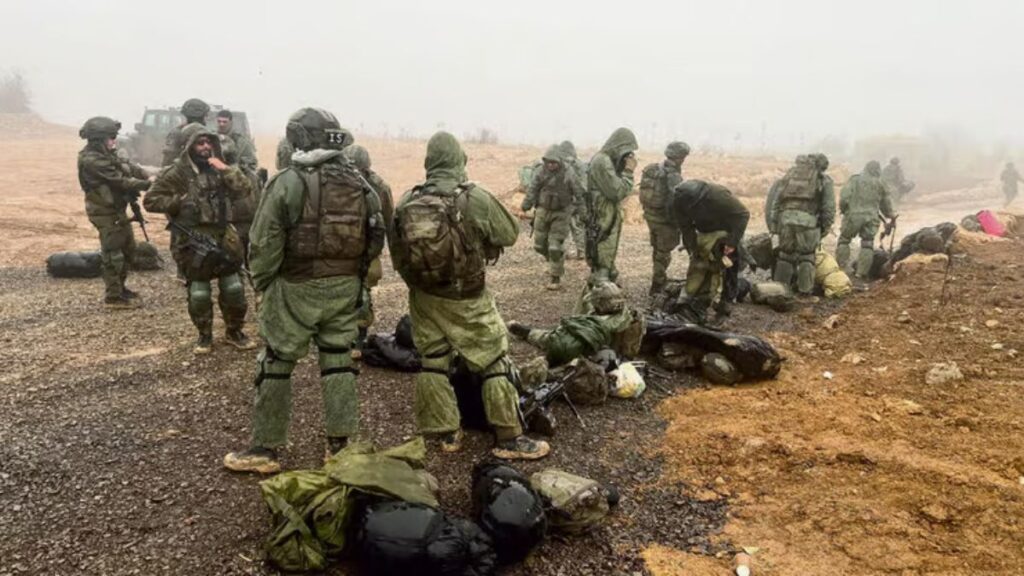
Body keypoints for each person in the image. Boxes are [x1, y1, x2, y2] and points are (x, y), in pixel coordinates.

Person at [223, 108, 385, 474]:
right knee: (338, 362)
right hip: (345, 289)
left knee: (277, 363)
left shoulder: (287, 182)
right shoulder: (360, 183)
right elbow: (376, 236)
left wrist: (263, 284)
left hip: (295, 288)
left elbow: (264, 244)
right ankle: (341, 448)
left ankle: (265, 449)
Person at [390, 131, 549, 460]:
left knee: (433, 361)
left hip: (423, 297)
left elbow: (397, 254)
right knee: (493, 360)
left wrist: (421, 282)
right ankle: (508, 439)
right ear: (459, 159)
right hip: (468, 297)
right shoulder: (473, 196)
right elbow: (509, 233)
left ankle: (447, 434)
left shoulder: (407, 200)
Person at [144, 124, 257, 354]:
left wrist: (225, 169)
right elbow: (151, 200)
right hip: (192, 240)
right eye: (199, 143)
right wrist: (179, 201)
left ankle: (234, 331)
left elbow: (245, 189)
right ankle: (204, 335)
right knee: (199, 293)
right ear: (189, 146)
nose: (205, 147)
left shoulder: (221, 168)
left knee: (234, 288)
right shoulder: (177, 173)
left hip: (224, 236)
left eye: (208, 142)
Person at [77, 117, 154, 308]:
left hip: (116, 209)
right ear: (99, 139)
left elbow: (128, 167)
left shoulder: (106, 154)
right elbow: (120, 181)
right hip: (104, 211)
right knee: (113, 254)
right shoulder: (92, 160)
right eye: (111, 137)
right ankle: (113, 296)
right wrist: (148, 184)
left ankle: (120, 287)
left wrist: (147, 174)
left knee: (129, 248)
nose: (114, 141)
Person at [671, 180, 750, 325]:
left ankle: (724, 308)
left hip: (728, 231)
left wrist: (732, 243)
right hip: (704, 232)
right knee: (700, 267)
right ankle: (698, 304)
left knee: (726, 271)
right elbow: (685, 226)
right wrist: (692, 249)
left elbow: (743, 215)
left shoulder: (718, 195)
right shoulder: (679, 200)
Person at [508, 282, 640, 367]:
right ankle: (528, 332)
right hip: (612, 355)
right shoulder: (629, 315)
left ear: (602, 304)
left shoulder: (598, 323)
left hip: (598, 354)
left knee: (551, 338)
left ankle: (527, 332)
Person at [342, 144, 395, 358]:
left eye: (359, 171)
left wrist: (397, 256)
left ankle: (358, 338)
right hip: (341, 246)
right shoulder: (336, 182)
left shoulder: (379, 187)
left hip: (368, 248)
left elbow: (390, 222)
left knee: (362, 294)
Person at [768, 153, 835, 296]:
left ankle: (778, 292)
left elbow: (775, 201)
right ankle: (804, 293)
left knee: (785, 255)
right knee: (807, 256)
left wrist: (774, 223)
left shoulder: (789, 175)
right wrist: (824, 228)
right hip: (808, 223)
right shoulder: (823, 179)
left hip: (785, 220)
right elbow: (828, 208)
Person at [521, 144, 585, 290]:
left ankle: (555, 278)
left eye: (554, 162)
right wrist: (526, 204)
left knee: (555, 247)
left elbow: (579, 193)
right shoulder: (540, 172)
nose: (551, 165)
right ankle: (553, 261)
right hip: (543, 211)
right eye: (548, 162)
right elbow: (533, 189)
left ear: (559, 162)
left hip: (562, 213)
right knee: (539, 246)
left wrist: (582, 212)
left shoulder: (569, 173)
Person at [585, 128, 638, 285]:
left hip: (606, 213)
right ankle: (601, 293)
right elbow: (617, 192)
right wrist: (628, 171)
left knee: (605, 254)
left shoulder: (605, 160)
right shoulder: (602, 161)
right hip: (604, 214)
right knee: (603, 256)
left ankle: (604, 282)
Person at [639, 141, 690, 295]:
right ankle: (657, 284)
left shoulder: (654, 169)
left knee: (658, 248)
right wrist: (678, 222)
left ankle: (659, 277)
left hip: (651, 216)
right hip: (664, 220)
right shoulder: (673, 175)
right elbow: (676, 200)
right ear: (680, 157)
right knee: (664, 253)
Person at [837, 160, 895, 279]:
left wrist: (844, 210)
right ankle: (861, 273)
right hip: (872, 218)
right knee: (867, 244)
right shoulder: (881, 183)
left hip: (853, 216)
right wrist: (891, 216)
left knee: (844, 240)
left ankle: (841, 268)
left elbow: (844, 198)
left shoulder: (855, 180)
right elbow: (886, 204)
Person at [558, 140, 588, 260]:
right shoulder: (579, 164)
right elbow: (584, 184)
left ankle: (562, 252)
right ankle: (581, 252)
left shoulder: (559, 164)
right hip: (577, 201)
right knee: (578, 227)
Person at [161, 98, 209, 167]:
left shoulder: (176, 131)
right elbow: (169, 160)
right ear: (201, 116)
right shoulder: (178, 133)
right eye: (205, 115)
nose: (206, 118)